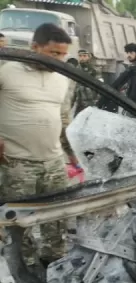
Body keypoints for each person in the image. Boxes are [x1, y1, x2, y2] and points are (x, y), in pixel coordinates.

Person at [0, 23, 79, 264]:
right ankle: (24, 268)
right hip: (16, 163)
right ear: (34, 47)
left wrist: (73, 155)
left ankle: (54, 263)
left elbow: (63, 119)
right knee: (18, 223)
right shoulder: (7, 71)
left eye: (63, 54)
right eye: (54, 53)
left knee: (56, 219)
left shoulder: (62, 79)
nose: (59, 59)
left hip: (53, 163)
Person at [73, 49, 100, 115]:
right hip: (79, 99)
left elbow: (99, 85)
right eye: (80, 56)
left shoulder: (94, 70)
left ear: (89, 57)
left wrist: (97, 100)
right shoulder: (76, 69)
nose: (82, 58)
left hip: (90, 99)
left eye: (84, 56)